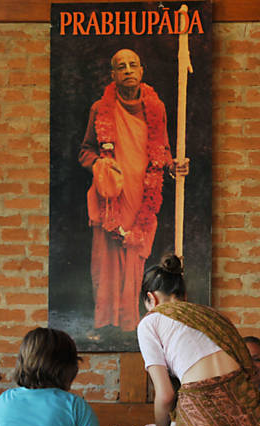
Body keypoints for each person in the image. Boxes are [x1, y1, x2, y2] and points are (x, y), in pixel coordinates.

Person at [137, 254, 260, 426]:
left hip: (201, 407)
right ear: (184, 296)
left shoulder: (150, 322)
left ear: (151, 298)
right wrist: (177, 425)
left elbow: (166, 395)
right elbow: (230, 384)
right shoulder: (212, 316)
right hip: (244, 411)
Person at [79, 48, 190, 334]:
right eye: (121, 66)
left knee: (135, 256)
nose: (127, 70)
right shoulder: (98, 109)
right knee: (105, 259)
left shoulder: (157, 108)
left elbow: (162, 151)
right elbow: (85, 152)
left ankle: (130, 322)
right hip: (110, 196)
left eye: (133, 65)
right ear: (113, 75)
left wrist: (173, 167)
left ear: (141, 71)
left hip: (142, 195)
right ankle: (106, 323)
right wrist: (100, 164)